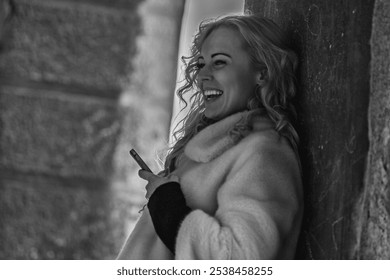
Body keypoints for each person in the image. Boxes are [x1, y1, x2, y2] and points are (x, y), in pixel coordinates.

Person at [117, 14, 303, 260]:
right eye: (200, 64)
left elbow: (240, 260)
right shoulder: (214, 148)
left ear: (263, 73)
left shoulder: (265, 152)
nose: (202, 76)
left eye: (219, 63)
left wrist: (166, 204)